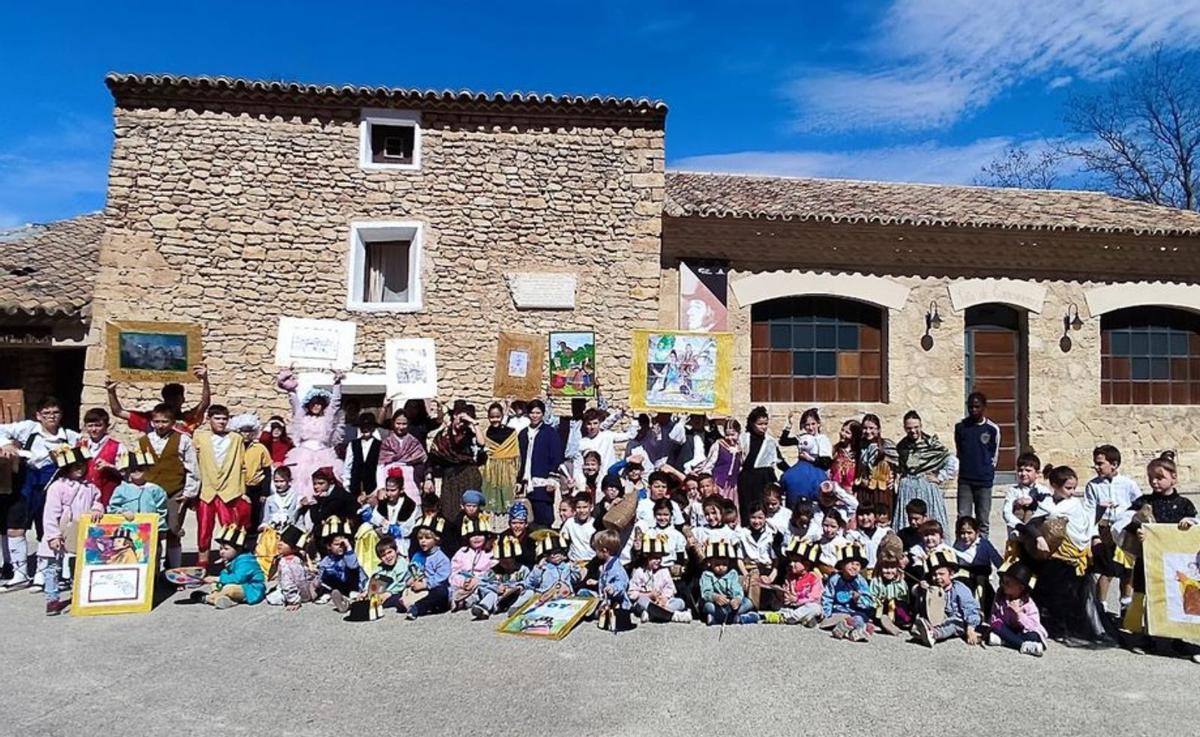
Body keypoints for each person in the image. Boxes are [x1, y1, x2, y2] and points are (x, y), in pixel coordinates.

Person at [1114, 451, 1198, 655]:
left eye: (1160, 477)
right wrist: (1137, 529)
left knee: (1178, 597)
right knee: (1145, 596)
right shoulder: (1144, 502)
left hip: (1176, 564)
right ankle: (1145, 636)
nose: (1154, 482)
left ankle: (1178, 637)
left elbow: (1197, 526)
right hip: (1149, 560)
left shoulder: (1185, 504)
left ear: (1174, 478)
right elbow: (1123, 521)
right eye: (1151, 477)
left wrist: (1191, 523)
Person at [0, 396, 80, 590]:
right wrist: (6, 444)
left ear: (60, 415)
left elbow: (84, 455)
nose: (51, 417)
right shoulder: (28, 428)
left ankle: (44, 573)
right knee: (15, 525)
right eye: (46, 413)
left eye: (55, 412)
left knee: (47, 528)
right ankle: (20, 572)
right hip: (26, 481)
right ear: (38, 415)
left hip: (52, 485)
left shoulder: (70, 436)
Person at [1030, 464, 1111, 646]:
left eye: (1074, 488)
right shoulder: (1047, 504)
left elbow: (1086, 524)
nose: (1072, 492)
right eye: (1068, 488)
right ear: (1055, 485)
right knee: (1055, 594)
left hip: (1074, 554)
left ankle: (1074, 627)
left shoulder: (1075, 505)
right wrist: (1039, 538)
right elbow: (1032, 524)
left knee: (1075, 595)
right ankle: (1055, 627)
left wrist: (1095, 531)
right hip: (1055, 556)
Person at [38, 448, 105, 613]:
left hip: (80, 529)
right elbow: (50, 513)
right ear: (66, 467)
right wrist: (53, 535)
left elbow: (97, 500)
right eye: (75, 465)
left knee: (78, 562)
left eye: (82, 465)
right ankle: (52, 598)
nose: (79, 468)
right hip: (62, 527)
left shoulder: (90, 486)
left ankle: (78, 593)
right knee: (53, 565)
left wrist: (97, 508)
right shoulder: (58, 487)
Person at [134, 403, 198, 569]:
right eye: (157, 421)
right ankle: (151, 571)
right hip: (150, 493)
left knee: (173, 530)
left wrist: (189, 492)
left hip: (174, 491)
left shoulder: (183, 440)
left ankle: (173, 570)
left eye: (164, 421)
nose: (160, 425)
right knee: (151, 532)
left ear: (172, 422)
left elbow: (192, 467)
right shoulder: (143, 441)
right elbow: (137, 468)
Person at [276, 368, 344, 505]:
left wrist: (337, 384)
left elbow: (335, 404)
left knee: (324, 479)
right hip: (303, 454)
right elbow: (295, 404)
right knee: (300, 479)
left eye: (319, 403)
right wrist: (291, 390)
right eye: (313, 403)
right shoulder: (302, 417)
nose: (316, 406)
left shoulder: (327, 419)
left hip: (322, 453)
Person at [193, 405, 249, 570]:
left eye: (224, 419)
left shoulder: (236, 438)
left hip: (229, 490)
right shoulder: (200, 437)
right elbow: (193, 462)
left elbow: (242, 465)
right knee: (204, 529)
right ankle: (202, 563)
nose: (221, 422)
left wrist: (242, 491)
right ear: (209, 419)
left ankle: (230, 563)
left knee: (229, 528)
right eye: (217, 418)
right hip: (207, 489)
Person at [1085, 443, 1140, 611]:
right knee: (1106, 570)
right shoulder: (1093, 486)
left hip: (1124, 531)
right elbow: (1089, 511)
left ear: (1114, 464)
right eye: (1096, 462)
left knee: (1126, 570)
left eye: (1100, 463)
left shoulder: (1128, 484)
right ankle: (1101, 606)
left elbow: (1139, 505)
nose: (1096, 467)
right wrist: (1094, 536)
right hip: (1104, 531)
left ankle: (1126, 605)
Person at [894, 410, 956, 530]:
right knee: (909, 522)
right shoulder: (902, 446)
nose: (913, 431)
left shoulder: (931, 444)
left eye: (916, 427)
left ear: (921, 426)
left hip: (927, 486)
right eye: (909, 428)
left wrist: (939, 477)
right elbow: (899, 467)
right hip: (907, 488)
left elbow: (951, 461)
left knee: (930, 521)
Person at [105, 365, 211, 435]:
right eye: (170, 398)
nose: (173, 402)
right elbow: (118, 412)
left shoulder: (187, 420)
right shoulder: (149, 421)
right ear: (164, 400)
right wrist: (111, 392)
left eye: (176, 398)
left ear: (183, 399)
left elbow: (204, 403)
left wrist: (205, 379)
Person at [911, 549, 983, 648]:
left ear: (951, 574)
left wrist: (970, 629)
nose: (937, 577)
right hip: (939, 618)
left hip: (959, 620)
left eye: (941, 574)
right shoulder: (933, 588)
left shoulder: (959, 588)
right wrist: (921, 589)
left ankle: (934, 635)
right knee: (924, 618)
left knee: (951, 625)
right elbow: (917, 595)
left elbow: (970, 608)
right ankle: (924, 629)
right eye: (934, 575)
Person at [954, 392, 1000, 536]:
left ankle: (982, 552)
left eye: (977, 407)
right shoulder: (961, 428)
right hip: (965, 480)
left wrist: (986, 472)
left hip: (984, 481)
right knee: (963, 517)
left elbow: (995, 455)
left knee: (983, 519)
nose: (973, 410)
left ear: (984, 407)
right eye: (971, 407)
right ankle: (962, 550)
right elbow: (959, 450)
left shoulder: (992, 429)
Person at [517, 399, 566, 527]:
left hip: (542, 481)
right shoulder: (523, 434)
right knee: (526, 519)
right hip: (526, 482)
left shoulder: (550, 433)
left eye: (538, 413)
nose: (535, 416)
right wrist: (518, 480)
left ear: (543, 414)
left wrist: (551, 479)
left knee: (543, 518)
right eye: (532, 413)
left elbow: (556, 457)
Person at [198, 525, 266, 609]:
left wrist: (217, 578)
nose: (222, 552)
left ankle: (207, 598)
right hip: (238, 585)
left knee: (229, 588)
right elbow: (226, 573)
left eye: (226, 549)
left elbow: (238, 578)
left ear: (239, 549)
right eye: (220, 548)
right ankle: (225, 599)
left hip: (251, 589)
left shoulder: (246, 561)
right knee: (215, 585)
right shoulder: (232, 559)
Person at [988, 561, 1046, 656]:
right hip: (1007, 629)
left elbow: (1033, 626)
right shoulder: (1000, 597)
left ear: (1021, 587)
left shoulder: (1028, 604)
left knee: (1034, 636)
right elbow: (994, 616)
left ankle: (1005, 641)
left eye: (1008, 583)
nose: (1003, 585)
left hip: (1022, 632)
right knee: (996, 625)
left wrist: (1019, 614)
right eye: (1003, 582)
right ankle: (1023, 645)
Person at [628, 536, 690, 624]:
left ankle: (652, 615)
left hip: (663, 603)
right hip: (647, 601)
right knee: (641, 603)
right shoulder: (639, 572)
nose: (658, 561)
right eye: (654, 558)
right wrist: (649, 595)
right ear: (647, 558)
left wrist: (663, 599)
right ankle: (674, 616)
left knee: (680, 602)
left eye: (659, 558)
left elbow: (670, 588)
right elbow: (631, 593)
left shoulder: (664, 571)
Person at [398, 517, 451, 619]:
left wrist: (425, 584)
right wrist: (410, 580)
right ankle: (410, 603)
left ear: (436, 539)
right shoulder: (417, 555)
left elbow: (441, 577)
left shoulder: (441, 558)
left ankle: (417, 607)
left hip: (433, 588)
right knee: (404, 593)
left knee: (441, 593)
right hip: (418, 587)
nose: (423, 541)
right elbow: (411, 571)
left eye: (427, 538)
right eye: (420, 538)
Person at [820, 543, 875, 641]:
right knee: (836, 618)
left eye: (857, 564)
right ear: (842, 565)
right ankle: (844, 628)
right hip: (838, 610)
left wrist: (859, 599)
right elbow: (828, 596)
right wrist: (827, 613)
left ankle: (854, 633)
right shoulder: (835, 579)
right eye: (851, 563)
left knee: (859, 618)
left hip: (855, 611)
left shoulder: (860, 581)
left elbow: (869, 602)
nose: (854, 567)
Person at [737, 407, 782, 526]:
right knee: (747, 507)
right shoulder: (744, 438)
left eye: (765, 424)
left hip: (764, 478)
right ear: (752, 424)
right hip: (747, 479)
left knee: (763, 507)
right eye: (760, 424)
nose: (763, 427)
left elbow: (778, 461)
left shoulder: (770, 441)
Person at [762, 538, 823, 626]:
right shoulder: (790, 576)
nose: (791, 564)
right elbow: (786, 589)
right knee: (775, 603)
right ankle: (805, 619)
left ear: (806, 565)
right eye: (791, 561)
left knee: (815, 608)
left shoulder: (814, 577)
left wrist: (797, 599)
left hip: (805, 605)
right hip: (792, 607)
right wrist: (784, 595)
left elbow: (814, 597)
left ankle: (785, 617)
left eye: (795, 562)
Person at [510, 535, 578, 612]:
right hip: (544, 596)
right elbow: (531, 582)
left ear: (563, 554)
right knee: (529, 593)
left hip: (564, 595)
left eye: (556, 553)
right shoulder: (543, 568)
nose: (553, 555)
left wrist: (574, 568)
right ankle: (515, 607)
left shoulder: (567, 567)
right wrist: (538, 569)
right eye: (549, 553)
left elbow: (575, 579)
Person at [107, 451, 168, 535]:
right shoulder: (121, 489)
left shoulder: (155, 489)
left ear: (146, 469)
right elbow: (112, 507)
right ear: (128, 471)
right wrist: (122, 512)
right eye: (133, 470)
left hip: (151, 530)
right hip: (127, 529)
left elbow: (162, 509)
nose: (136, 472)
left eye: (140, 469)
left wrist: (158, 525)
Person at [469, 534, 528, 619]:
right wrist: (496, 588)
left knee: (529, 592)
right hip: (499, 598)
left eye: (508, 559)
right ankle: (484, 608)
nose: (505, 562)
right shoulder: (493, 571)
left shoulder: (523, 569)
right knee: (491, 594)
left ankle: (516, 608)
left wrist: (520, 586)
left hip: (516, 596)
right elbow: (482, 583)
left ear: (514, 557)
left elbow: (530, 582)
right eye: (502, 559)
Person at [378, 407, 429, 505]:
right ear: (393, 423)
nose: (401, 427)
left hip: (409, 478)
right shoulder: (387, 442)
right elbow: (380, 466)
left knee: (411, 505)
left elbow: (423, 459)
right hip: (388, 478)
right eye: (398, 423)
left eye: (404, 424)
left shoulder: (413, 442)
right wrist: (381, 487)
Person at [953, 515, 1004, 615]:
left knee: (987, 597)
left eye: (969, 533)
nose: (966, 536)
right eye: (962, 533)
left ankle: (983, 614)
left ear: (977, 532)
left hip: (982, 576)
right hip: (965, 578)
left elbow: (997, 560)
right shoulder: (957, 546)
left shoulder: (984, 544)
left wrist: (1004, 573)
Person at [700, 540, 757, 625]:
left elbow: (737, 588)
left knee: (749, 602)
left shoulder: (732, 574)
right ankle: (736, 618)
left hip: (730, 605)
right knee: (708, 606)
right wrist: (715, 597)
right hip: (716, 605)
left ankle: (718, 619)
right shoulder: (707, 575)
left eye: (724, 564)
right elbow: (705, 592)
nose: (721, 567)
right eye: (717, 564)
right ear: (710, 563)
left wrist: (736, 599)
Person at [77, 408, 125, 507]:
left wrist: (110, 467)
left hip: (108, 496)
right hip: (85, 498)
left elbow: (125, 474)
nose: (94, 429)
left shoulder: (117, 447)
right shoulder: (79, 446)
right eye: (90, 426)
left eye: (98, 425)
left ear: (106, 426)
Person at [232, 414, 273, 528]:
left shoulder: (260, 448)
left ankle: (252, 541)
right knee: (240, 516)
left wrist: (265, 492)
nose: (246, 434)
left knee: (255, 516)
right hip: (239, 487)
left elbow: (267, 471)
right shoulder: (234, 447)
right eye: (243, 431)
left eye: (249, 431)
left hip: (256, 487)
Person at [304, 467, 359, 549]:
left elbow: (318, 518)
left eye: (321, 483)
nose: (316, 487)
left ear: (330, 482)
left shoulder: (338, 497)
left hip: (341, 534)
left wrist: (315, 503)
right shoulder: (326, 495)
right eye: (315, 483)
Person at [449, 518, 495, 613]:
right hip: (464, 583)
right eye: (473, 536)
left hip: (480, 583)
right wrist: (463, 582)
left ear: (486, 536)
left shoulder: (490, 553)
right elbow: (454, 572)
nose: (476, 538)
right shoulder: (462, 552)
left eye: (480, 535)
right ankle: (456, 600)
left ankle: (467, 601)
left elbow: (493, 572)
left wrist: (478, 580)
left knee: (482, 590)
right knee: (451, 590)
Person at [315, 516, 364, 606]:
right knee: (328, 574)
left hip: (351, 584)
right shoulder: (326, 561)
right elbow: (321, 576)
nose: (340, 547)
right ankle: (330, 594)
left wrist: (348, 547)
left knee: (352, 570)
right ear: (329, 546)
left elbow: (353, 565)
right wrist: (318, 584)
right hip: (337, 586)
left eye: (342, 544)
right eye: (336, 544)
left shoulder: (349, 555)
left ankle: (351, 595)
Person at [854, 413, 897, 514]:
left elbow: (897, 466)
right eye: (865, 428)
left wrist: (894, 478)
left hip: (881, 491)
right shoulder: (860, 447)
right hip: (864, 490)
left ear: (879, 429)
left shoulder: (887, 446)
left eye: (872, 428)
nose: (868, 431)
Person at [265, 525, 315, 610]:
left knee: (272, 597)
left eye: (285, 542)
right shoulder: (299, 557)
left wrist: (293, 601)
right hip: (306, 591)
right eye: (280, 540)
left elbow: (287, 583)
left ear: (295, 548)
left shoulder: (284, 563)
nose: (280, 543)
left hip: (294, 593)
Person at [481, 402, 520, 512]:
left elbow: (516, 454)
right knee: (490, 501)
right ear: (488, 417)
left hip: (507, 470)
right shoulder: (486, 433)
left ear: (502, 416)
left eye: (498, 417)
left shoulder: (511, 433)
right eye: (492, 417)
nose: (495, 420)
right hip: (490, 471)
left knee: (507, 501)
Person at [1002, 451, 1050, 538]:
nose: (1023, 474)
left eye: (1028, 470)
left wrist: (1033, 502)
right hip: (1017, 533)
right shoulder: (1013, 491)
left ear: (1037, 473)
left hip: (1036, 533)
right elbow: (1006, 512)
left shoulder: (1043, 490)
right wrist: (1019, 525)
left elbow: (1048, 510)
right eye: (1020, 470)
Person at [593, 529, 633, 631]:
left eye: (596, 550)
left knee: (614, 611)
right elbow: (606, 579)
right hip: (605, 597)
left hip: (616, 599)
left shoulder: (616, 567)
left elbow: (622, 581)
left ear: (605, 551)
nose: (595, 552)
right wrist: (597, 582)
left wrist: (614, 588)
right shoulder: (606, 564)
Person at [343, 412, 383, 502]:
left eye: (368, 426)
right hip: (355, 488)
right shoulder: (353, 444)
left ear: (373, 428)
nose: (365, 429)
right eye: (363, 427)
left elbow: (380, 467)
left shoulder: (380, 445)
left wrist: (378, 488)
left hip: (373, 489)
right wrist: (347, 485)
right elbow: (347, 466)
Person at [870, 555, 911, 635]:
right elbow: (873, 596)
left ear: (897, 568)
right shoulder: (876, 581)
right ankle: (884, 623)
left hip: (896, 608)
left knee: (900, 608)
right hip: (881, 607)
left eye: (892, 568)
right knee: (877, 611)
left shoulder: (901, 582)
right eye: (885, 568)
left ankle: (898, 624)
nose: (889, 571)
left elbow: (905, 599)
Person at [497, 502, 536, 571]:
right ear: (509, 524)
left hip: (528, 568)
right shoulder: (504, 536)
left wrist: (517, 544)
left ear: (526, 524)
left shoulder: (532, 536)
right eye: (514, 523)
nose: (517, 526)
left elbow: (531, 558)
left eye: (521, 523)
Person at [262, 467, 300, 531]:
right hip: (273, 531)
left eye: (282, 481)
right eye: (276, 481)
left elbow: (296, 519)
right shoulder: (270, 499)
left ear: (288, 480)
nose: (279, 484)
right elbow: (266, 519)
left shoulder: (295, 497)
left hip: (291, 530)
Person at [830, 419, 861, 491]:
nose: (842, 433)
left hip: (850, 492)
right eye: (842, 430)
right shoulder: (835, 450)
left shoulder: (858, 455)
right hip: (834, 490)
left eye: (847, 432)